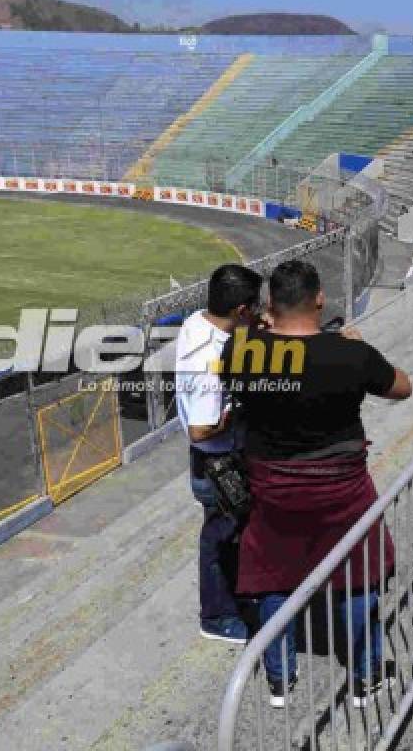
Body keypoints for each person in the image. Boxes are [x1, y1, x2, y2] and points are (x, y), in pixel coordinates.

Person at [221, 260, 413, 708]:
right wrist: (360, 347)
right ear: (320, 299)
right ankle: (365, 677)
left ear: (270, 305)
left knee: (270, 578)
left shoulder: (243, 349)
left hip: (273, 491)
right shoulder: (351, 354)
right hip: (341, 490)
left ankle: (280, 679)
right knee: (358, 575)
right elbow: (403, 388)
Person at [174, 263, 263, 644]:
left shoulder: (198, 321)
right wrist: (235, 412)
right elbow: (200, 429)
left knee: (230, 534)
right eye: (255, 306)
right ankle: (217, 616)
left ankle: (234, 598)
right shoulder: (207, 364)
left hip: (216, 460)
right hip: (216, 462)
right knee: (220, 537)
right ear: (240, 310)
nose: (259, 311)